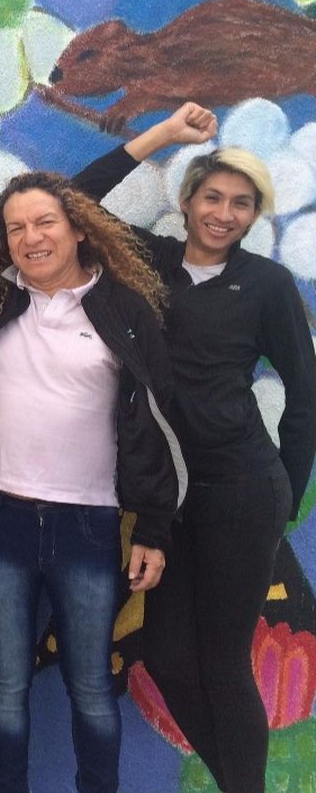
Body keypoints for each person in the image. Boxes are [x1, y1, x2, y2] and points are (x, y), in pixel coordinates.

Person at [0, 119, 186, 793]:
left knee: (91, 687)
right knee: (8, 684)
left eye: (45, 222)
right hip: (0, 519)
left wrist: (155, 529)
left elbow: (158, 424)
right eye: (15, 228)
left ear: (78, 229)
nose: (31, 237)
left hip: (89, 524)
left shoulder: (125, 308)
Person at [72, 103, 316, 793]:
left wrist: (285, 498)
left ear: (254, 216)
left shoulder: (266, 285)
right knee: (168, 657)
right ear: (186, 201)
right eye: (212, 197)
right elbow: (74, 201)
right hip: (168, 499)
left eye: (241, 204)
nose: (224, 213)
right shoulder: (147, 263)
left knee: (223, 662)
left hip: (241, 490)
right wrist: (164, 135)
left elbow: (305, 396)